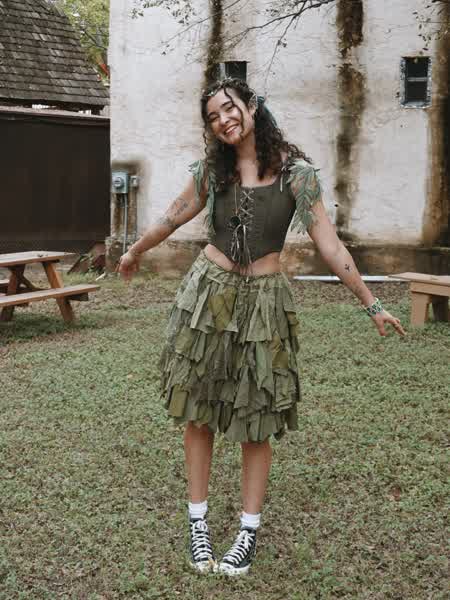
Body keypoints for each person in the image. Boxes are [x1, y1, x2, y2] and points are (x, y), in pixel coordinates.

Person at [118, 77, 406, 576]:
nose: (223, 120)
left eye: (229, 109)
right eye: (213, 116)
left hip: (265, 303)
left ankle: (246, 532)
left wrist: (371, 303)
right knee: (199, 411)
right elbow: (173, 215)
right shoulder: (213, 171)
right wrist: (135, 250)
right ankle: (198, 524)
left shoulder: (297, 175)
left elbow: (331, 245)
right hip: (208, 295)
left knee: (258, 416)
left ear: (251, 106)